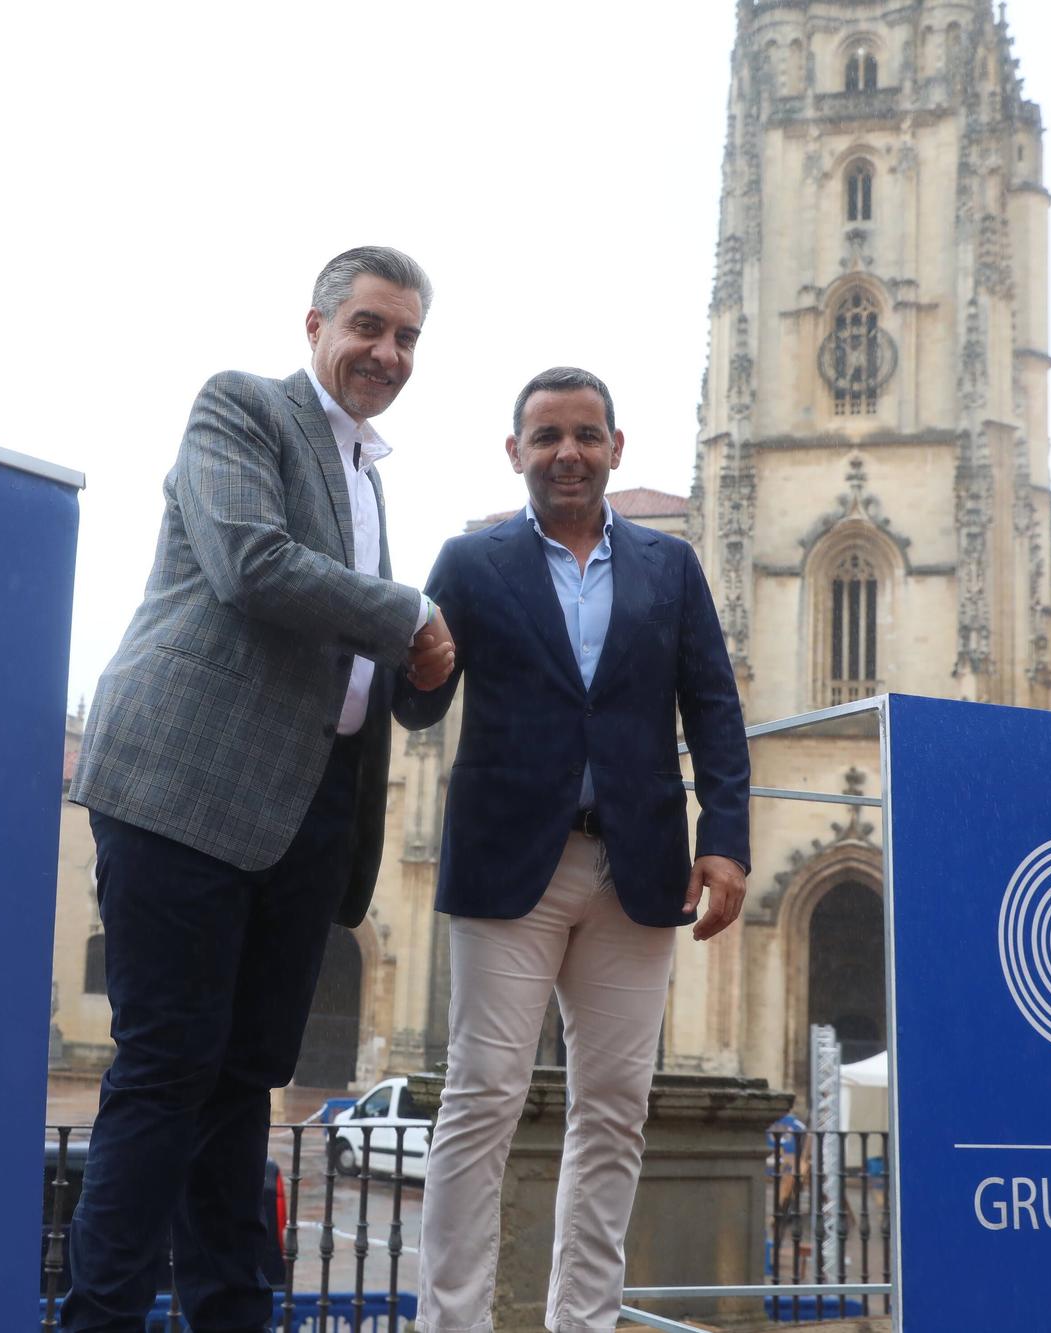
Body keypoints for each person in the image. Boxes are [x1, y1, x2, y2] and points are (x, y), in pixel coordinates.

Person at [63, 246, 455, 1332]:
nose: (386, 351)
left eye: (406, 337)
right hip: (187, 788)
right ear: (316, 325)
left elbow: (363, 654)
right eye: (368, 326)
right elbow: (251, 562)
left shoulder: (369, 478)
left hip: (306, 814)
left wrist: (424, 671)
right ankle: (96, 1318)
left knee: (242, 1088)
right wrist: (409, 616)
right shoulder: (240, 410)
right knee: (166, 1071)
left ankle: (229, 1316)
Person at [395, 366, 751, 1333]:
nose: (568, 452)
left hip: (638, 870)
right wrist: (415, 660)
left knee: (615, 1111)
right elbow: (418, 700)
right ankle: (452, 1323)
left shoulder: (670, 568)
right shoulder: (469, 564)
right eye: (546, 435)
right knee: (480, 1102)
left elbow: (713, 705)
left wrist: (725, 839)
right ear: (515, 452)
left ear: (616, 448)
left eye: (587, 434)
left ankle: (582, 1321)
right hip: (512, 868)